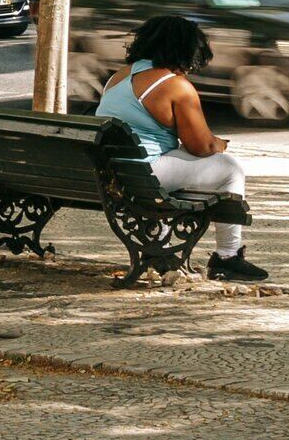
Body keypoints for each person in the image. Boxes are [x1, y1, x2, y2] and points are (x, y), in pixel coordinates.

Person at [94, 14, 265, 282]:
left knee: (175, 161)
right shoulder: (175, 85)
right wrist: (218, 143)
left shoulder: (118, 77)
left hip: (109, 171)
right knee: (229, 169)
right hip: (144, 172)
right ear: (186, 51)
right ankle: (227, 257)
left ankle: (157, 248)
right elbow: (201, 146)